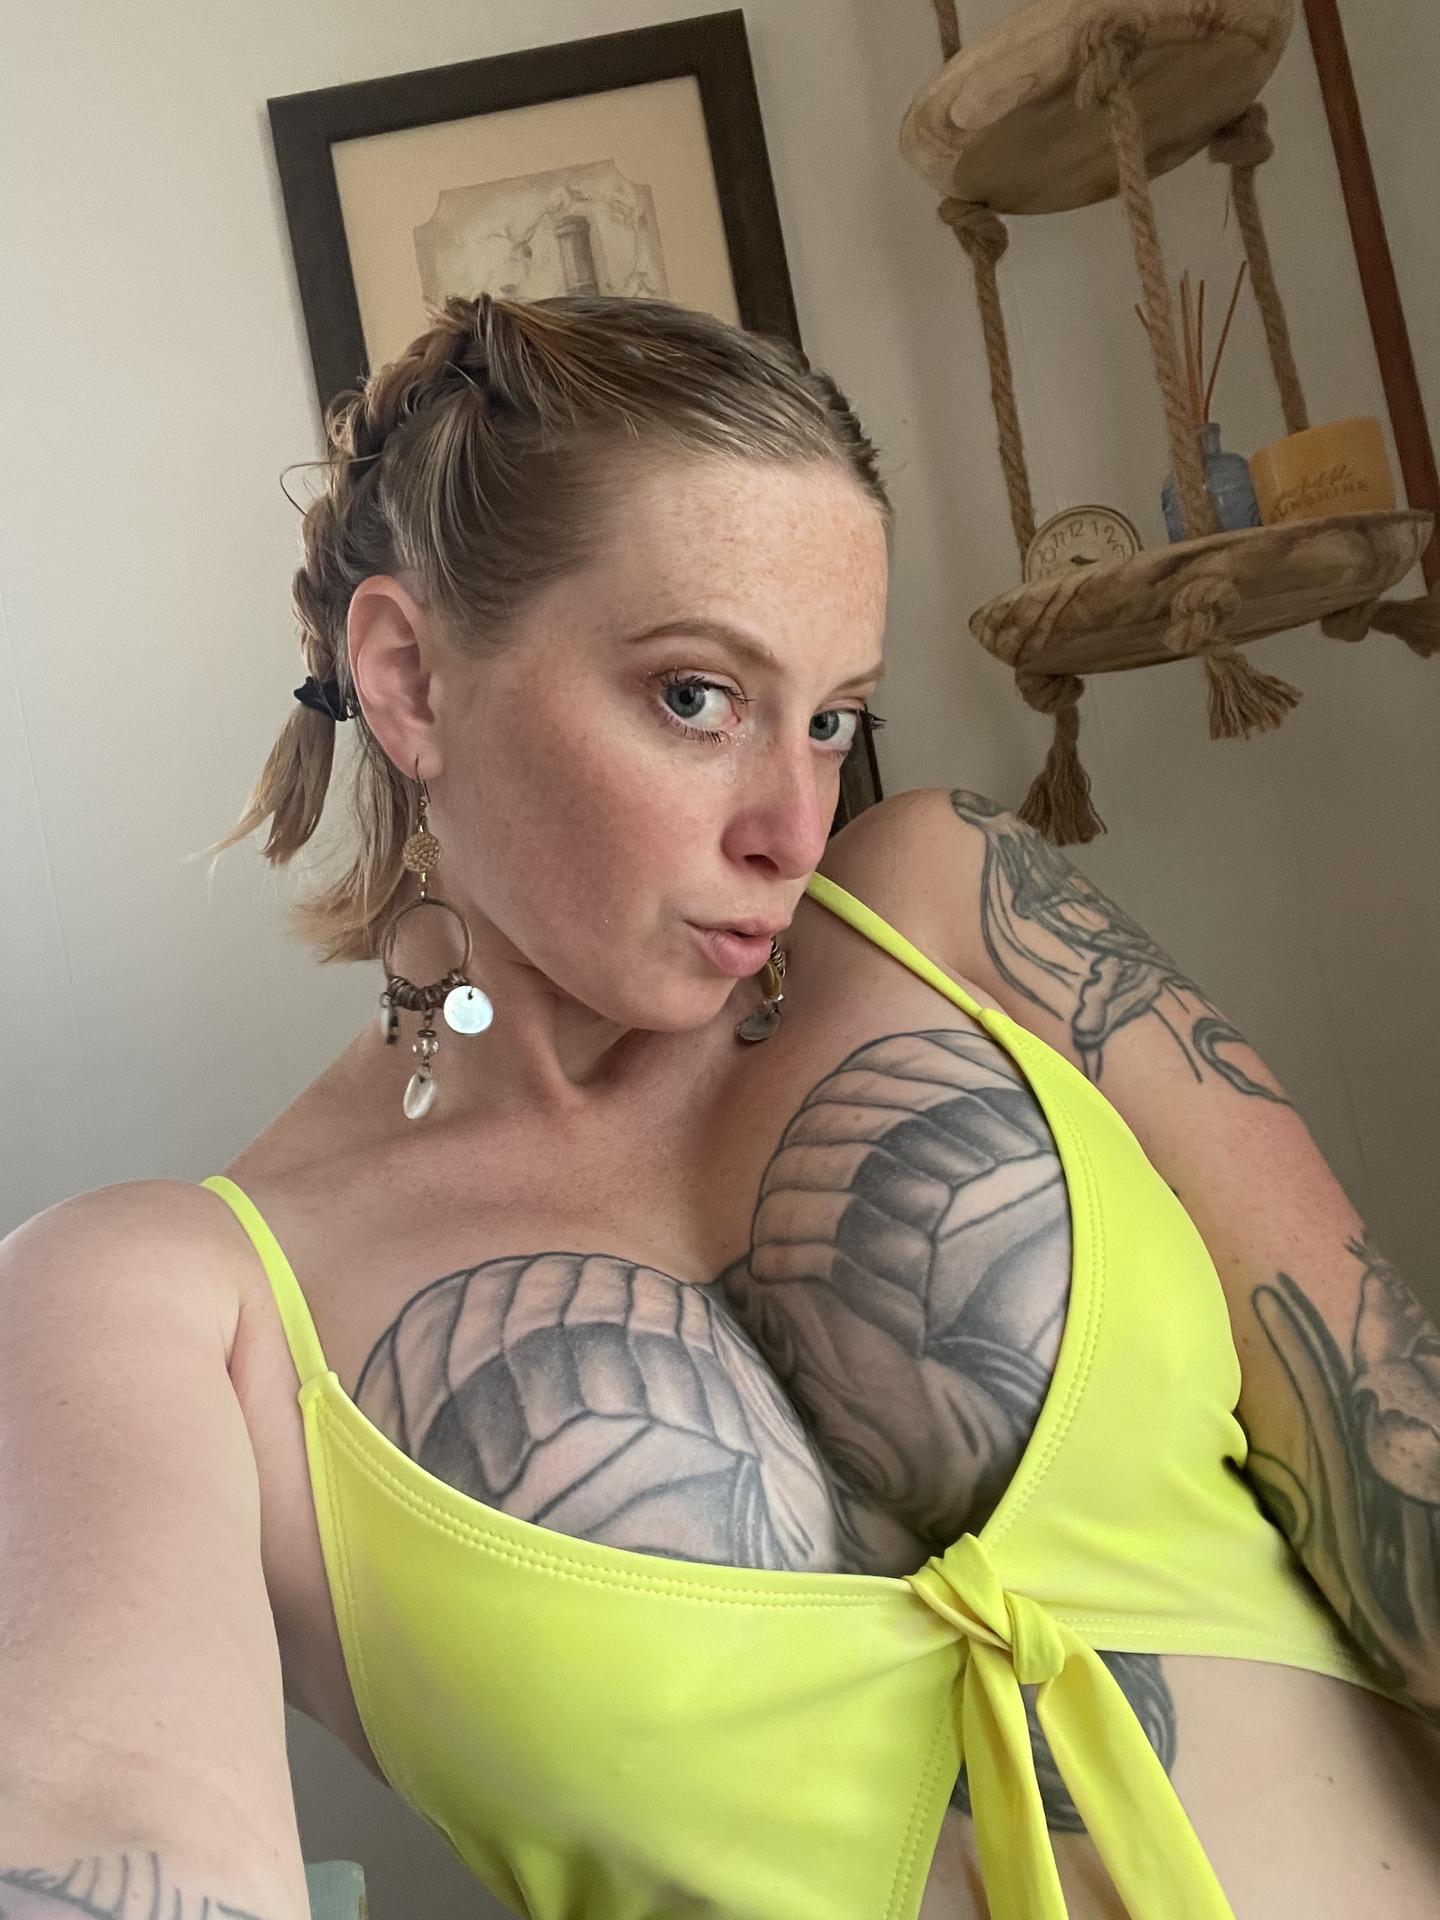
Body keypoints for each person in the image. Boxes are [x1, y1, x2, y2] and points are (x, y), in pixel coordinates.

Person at [2, 291, 1437, 1920]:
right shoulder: (171, 1299)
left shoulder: (954, 905)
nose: (794, 828)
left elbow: (1394, 1460)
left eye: (831, 721)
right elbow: (110, 1829)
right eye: (697, 697)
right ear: (408, 680)